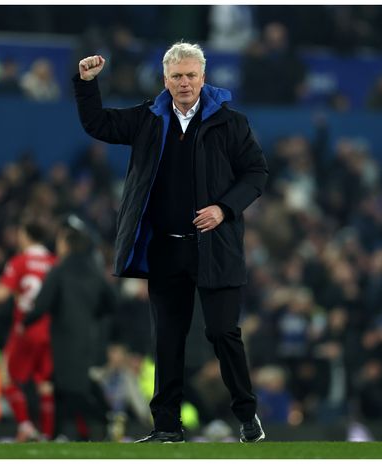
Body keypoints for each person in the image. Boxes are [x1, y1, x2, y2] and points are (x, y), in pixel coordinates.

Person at [74, 42, 268, 443]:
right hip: (165, 247)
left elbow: (256, 173)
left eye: (191, 75)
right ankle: (166, 426)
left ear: (203, 77)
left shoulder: (231, 123)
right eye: (177, 76)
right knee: (166, 338)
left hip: (214, 246)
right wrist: (86, 83)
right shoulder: (148, 118)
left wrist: (224, 209)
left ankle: (247, 416)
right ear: (165, 79)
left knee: (222, 332)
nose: (184, 83)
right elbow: (99, 124)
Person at [24, 216, 117, 441]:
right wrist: (94, 316)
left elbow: (42, 304)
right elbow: (112, 301)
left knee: (72, 388)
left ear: (67, 244)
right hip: (90, 337)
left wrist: (25, 322)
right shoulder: (94, 271)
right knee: (67, 384)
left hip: (65, 337)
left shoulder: (60, 270)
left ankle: (103, 420)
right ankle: (61, 432)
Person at [0, 221, 57, 441]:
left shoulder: (20, 261)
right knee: (45, 383)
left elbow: (2, 293)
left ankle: (25, 425)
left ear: (26, 235)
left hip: (25, 330)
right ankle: (47, 434)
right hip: (50, 331)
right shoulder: (54, 263)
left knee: (6, 376)